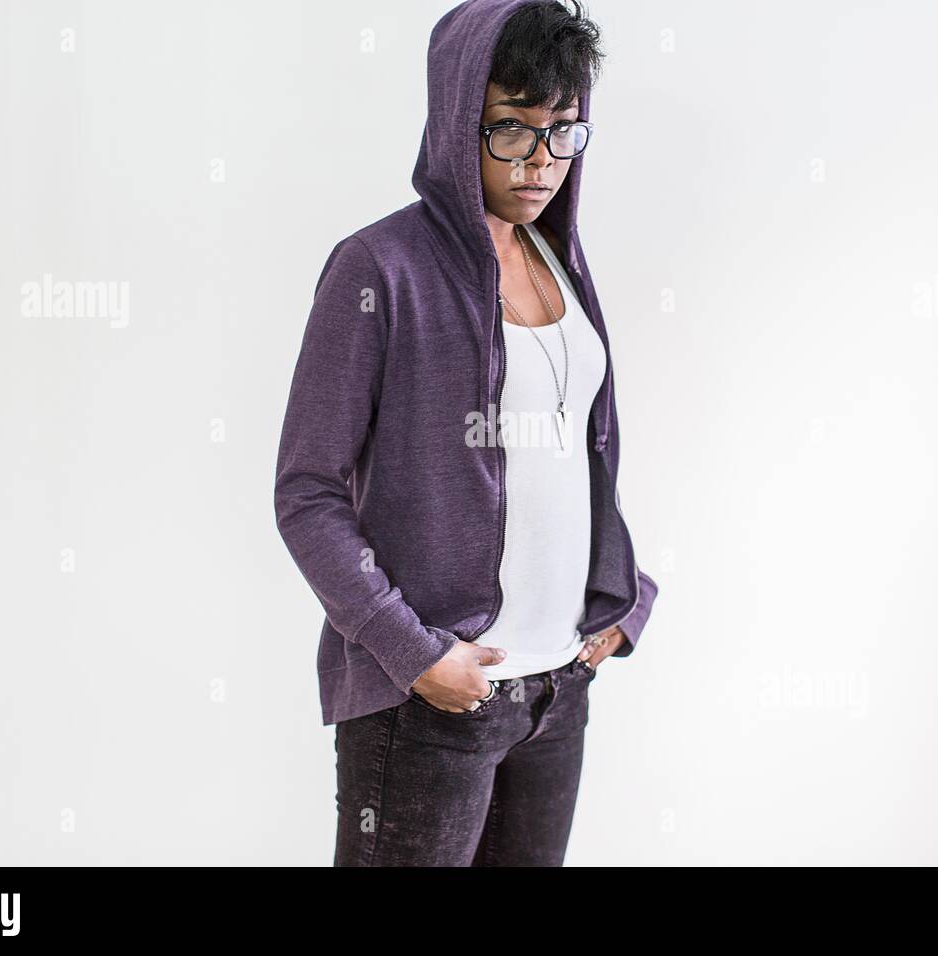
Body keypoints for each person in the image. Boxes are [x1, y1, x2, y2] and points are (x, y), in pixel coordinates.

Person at [274, 0, 659, 866]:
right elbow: (306, 493)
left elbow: (577, 455)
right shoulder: (378, 268)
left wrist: (624, 594)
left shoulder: (561, 259)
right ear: (457, 118)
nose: (540, 161)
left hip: (557, 691)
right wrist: (411, 654)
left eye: (563, 130)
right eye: (510, 129)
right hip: (434, 701)